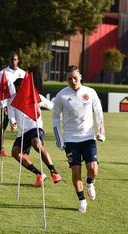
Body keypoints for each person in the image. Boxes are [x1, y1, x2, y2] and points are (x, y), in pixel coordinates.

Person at [52, 65, 105, 213]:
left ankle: (90, 182)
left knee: (93, 169)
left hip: (88, 137)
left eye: (75, 78)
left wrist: (101, 132)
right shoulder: (61, 96)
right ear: (66, 79)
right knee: (75, 172)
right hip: (70, 140)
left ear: (80, 76)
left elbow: (99, 112)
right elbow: (56, 118)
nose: (73, 81)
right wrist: (59, 139)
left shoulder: (90, 92)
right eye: (69, 78)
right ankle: (81, 200)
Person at [8, 78, 62, 187]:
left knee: (36, 143)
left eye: (19, 87)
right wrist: (13, 122)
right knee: (15, 152)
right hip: (23, 132)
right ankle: (39, 174)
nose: (17, 90)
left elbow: (51, 106)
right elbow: (11, 113)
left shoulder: (35, 96)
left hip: (35, 127)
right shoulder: (12, 100)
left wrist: (61, 116)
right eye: (16, 88)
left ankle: (54, 172)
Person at [0, 52, 25, 156]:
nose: (14, 61)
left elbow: (26, 89)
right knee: (4, 125)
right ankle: (1, 149)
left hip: (20, 104)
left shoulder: (23, 73)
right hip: (7, 103)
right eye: (12, 59)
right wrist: (2, 105)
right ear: (9, 60)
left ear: (18, 60)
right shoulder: (3, 73)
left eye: (15, 59)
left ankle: (23, 149)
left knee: (23, 126)